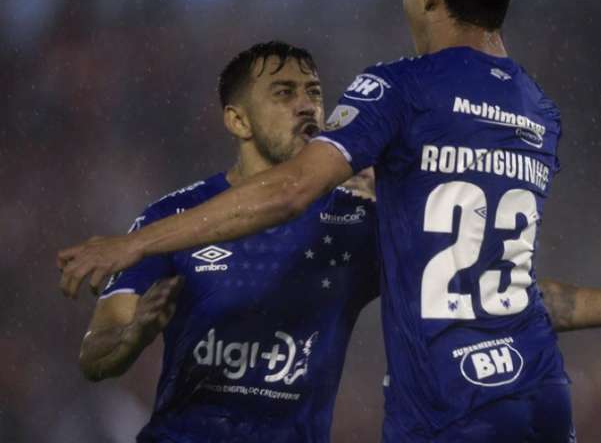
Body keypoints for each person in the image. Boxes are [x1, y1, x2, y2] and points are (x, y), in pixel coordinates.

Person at [59, 0, 601, 441]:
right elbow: (494, 291)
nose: (307, 105)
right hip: (538, 394)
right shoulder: (537, 111)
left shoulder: (394, 99)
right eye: (282, 92)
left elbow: (294, 192)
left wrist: (131, 244)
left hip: (448, 409)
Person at [77, 41, 382, 442]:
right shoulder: (169, 220)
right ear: (238, 121)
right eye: (284, 93)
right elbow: (94, 357)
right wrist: (132, 335)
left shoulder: (354, 218)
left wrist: (391, 189)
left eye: (313, 92)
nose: (307, 105)